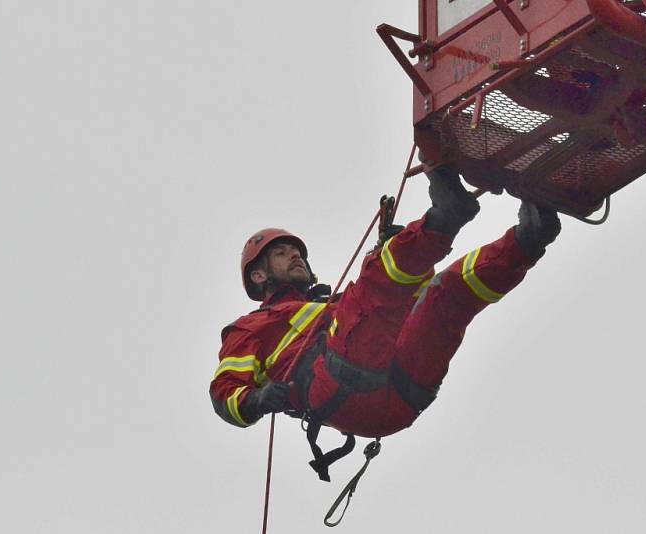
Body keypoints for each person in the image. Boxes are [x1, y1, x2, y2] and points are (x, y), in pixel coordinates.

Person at [209, 162, 561, 475]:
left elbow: (407, 302)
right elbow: (223, 394)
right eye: (282, 254)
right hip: (342, 392)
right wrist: (255, 401)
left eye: (298, 252)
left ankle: (530, 237)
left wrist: (406, 252)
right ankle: (447, 216)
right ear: (259, 276)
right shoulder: (250, 327)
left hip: (399, 393)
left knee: (445, 295)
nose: (296, 257)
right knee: (375, 281)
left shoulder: (332, 306)